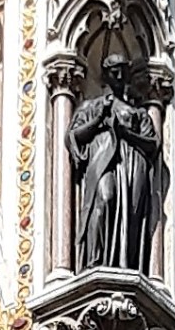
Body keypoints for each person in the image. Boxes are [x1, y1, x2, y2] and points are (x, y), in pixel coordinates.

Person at [67, 56, 158, 271]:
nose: (118, 75)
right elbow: (74, 136)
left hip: (132, 164)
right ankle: (95, 261)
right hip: (102, 158)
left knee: (131, 216)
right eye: (113, 71)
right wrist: (99, 119)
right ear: (105, 75)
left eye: (122, 71)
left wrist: (126, 133)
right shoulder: (91, 106)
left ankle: (125, 263)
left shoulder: (139, 113)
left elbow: (152, 144)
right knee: (104, 198)